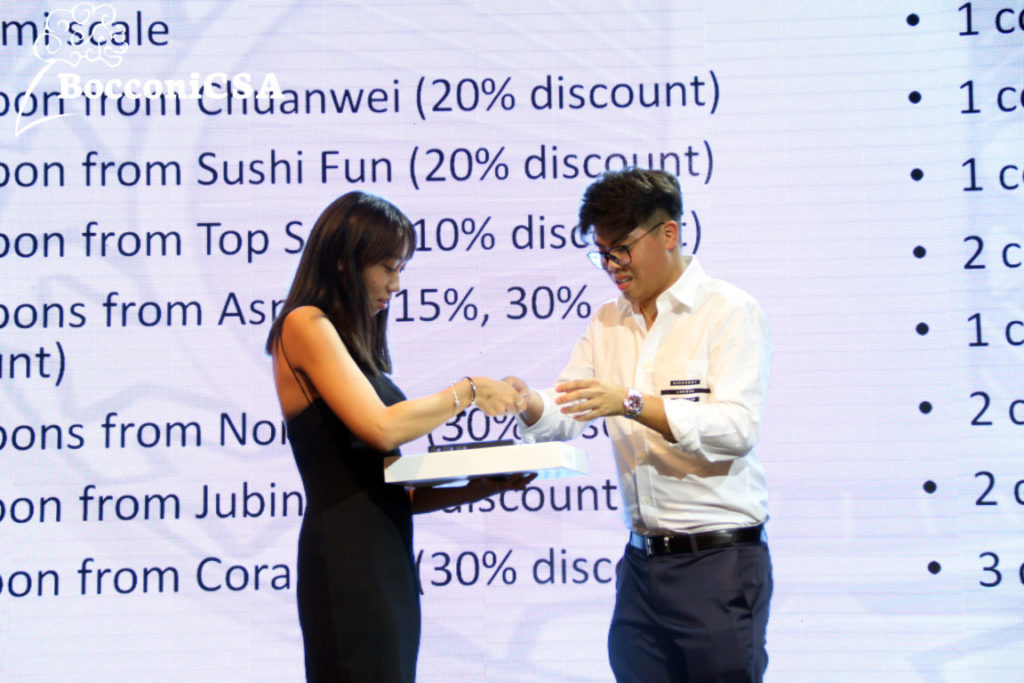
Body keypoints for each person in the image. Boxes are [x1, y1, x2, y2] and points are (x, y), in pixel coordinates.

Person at [507, 168, 772, 682]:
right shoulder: (608, 320)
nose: (612, 266)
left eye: (622, 249)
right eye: (602, 253)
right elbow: (569, 408)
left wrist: (630, 402)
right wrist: (525, 402)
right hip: (642, 567)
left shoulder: (729, 311)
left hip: (719, 563)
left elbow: (736, 429)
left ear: (668, 233)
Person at [265, 190, 532, 682]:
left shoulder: (349, 344)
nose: (396, 283)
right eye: (388, 267)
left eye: (401, 268)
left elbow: (388, 491)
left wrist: (482, 485)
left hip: (384, 556)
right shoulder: (305, 323)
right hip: (347, 556)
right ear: (345, 261)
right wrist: (470, 390)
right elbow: (381, 426)